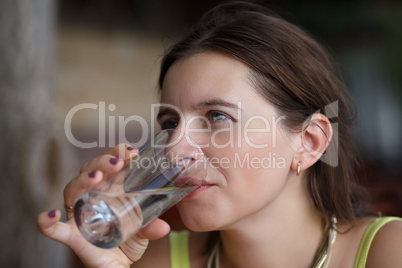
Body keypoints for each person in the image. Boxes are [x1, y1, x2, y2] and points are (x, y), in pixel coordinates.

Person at [37, 2, 402, 267]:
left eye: (216, 116)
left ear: (309, 143)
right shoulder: (158, 260)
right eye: (169, 124)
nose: (175, 150)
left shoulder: (388, 252)